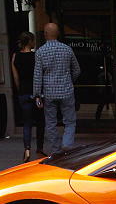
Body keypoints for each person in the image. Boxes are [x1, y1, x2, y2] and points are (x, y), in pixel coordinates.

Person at [33, 22, 81, 156]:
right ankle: (67, 144)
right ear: (58, 33)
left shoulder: (40, 52)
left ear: (46, 34)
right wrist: (70, 80)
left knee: (51, 123)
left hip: (49, 92)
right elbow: (77, 69)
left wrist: (37, 94)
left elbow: (37, 75)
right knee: (70, 121)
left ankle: (55, 150)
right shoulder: (67, 49)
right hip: (66, 90)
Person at [11, 31, 44, 162]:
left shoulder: (15, 56)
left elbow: (16, 78)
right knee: (40, 121)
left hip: (23, 93)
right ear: (30, 41)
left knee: (27, 123)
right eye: (33, 40)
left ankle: (27, 149)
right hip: (37, 93)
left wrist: (20, 90)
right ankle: (40, 148)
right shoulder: (36, 56)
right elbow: (39, 75)